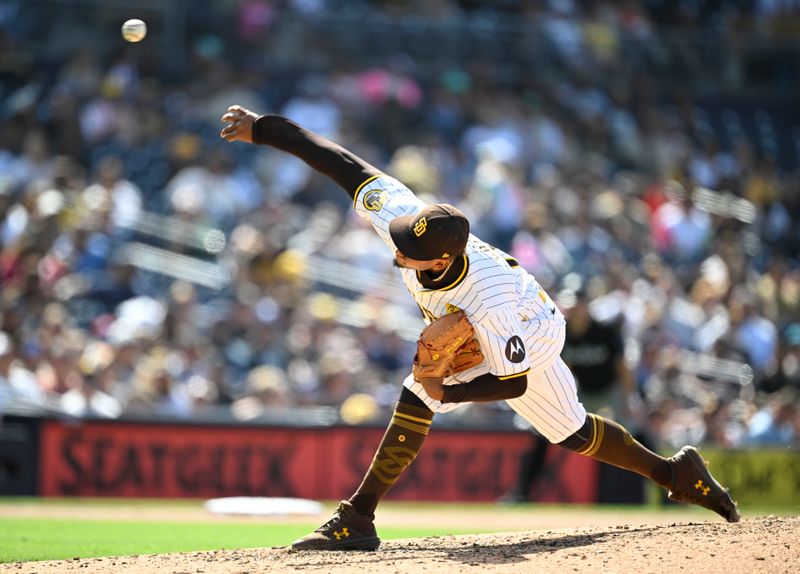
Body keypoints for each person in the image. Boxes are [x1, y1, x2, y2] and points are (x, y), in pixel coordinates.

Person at [219, 105, 740, 552]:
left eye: (410, 250)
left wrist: (446, 390)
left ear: (442, 258)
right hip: (500, 316)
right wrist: (263, 129)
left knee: (419, 394)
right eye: (402, 239)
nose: (397, 249)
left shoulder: (484, 297)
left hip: (529, 335)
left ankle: (358, 517)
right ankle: (676, 473)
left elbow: (512, 381)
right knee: (572, 431)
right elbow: (344, 164)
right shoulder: (415, 226)